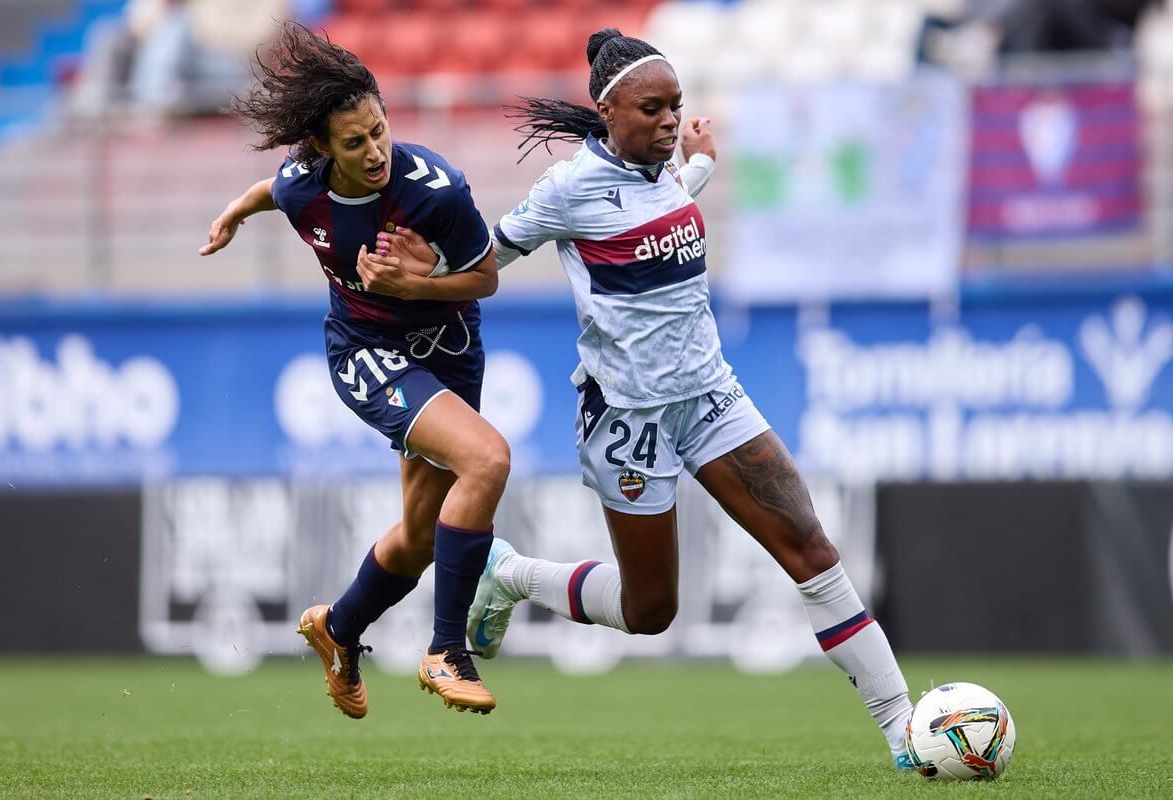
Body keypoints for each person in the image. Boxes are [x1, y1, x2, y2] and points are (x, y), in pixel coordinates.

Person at [376, 28, 916, 768]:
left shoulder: (665, 168)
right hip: (628, 422)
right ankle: (508, 575)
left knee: (811, 549)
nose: (669, 121)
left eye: (677, 107)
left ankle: (905, 730)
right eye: (654, 109)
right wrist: (422, 272)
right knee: (650, 610)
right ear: (609, 113)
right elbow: (490, 252)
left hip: (711, 396)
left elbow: (667, 198)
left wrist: (699, 161)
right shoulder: (569, 190)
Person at [198, 21, 507, 716]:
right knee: (488, 461)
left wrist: (415, 287)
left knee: (421, 537)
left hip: (450, 353)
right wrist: (234, 213)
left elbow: (486, 277)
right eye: (354, 142)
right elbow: (271, 191)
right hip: (367, 354)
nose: (375, 152)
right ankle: (445, 651)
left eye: (379, 130)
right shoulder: (304, 188)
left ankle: (336, 630)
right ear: (319, 148)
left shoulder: (437, 192)